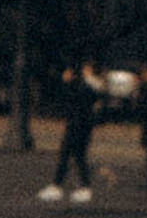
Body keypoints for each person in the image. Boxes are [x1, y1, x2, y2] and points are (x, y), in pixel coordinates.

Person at [39, 61, 101, 205]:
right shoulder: (89, 85)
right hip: (81, 126)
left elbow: (75, 101)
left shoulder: (87, 86)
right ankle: (80, 186)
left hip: (77, 126)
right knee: (77, 156)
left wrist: (67, 84)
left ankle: (58, 186)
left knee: (67, 154)